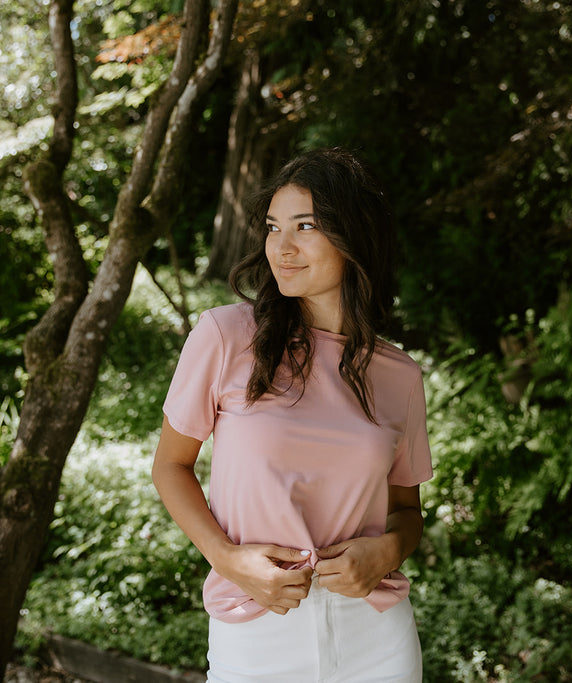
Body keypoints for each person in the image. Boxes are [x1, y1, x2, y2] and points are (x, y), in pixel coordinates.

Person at [151, 147, 433, 682]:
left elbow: (406, 510)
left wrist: (387, 551)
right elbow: (170, 466)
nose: (281, 247)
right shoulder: (226, 336)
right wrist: (226, 559)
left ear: (353, 238)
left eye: (304, 226)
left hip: (376, 636)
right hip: (255, 629)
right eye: (273, 226)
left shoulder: (400, 376)